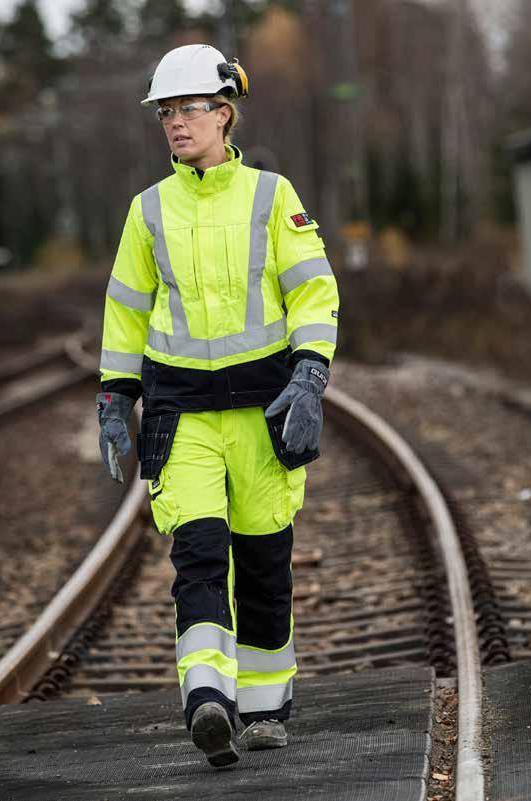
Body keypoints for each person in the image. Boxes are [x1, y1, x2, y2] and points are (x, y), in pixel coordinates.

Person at [95, 44, 339, 768]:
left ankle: (264, 709)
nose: (175, 124)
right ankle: (207, 697)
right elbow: (125, 313)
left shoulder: (271, 196)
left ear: (223, 113)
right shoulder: (148, 212)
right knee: (197, 555)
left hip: (264, 416)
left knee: (264, 560)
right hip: (184, 416)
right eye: (165, 112)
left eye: (188, 110)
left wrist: (311, 375)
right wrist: (115, 400)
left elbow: (312, 290)